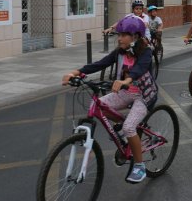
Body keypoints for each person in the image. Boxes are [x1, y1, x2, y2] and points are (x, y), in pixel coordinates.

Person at [62, 15, 157, 183]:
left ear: (135, 37)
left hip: (143, 95)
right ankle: (125, 128)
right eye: (118, 34)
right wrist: (76, 73)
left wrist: (126, 80)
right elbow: (100, 63)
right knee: (98, 105)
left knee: (128, 127)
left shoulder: (146, 52)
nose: (119, 38)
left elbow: (140, 69)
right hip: (126, 92)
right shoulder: (120, 53)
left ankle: (139, 166)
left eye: (123, 35)